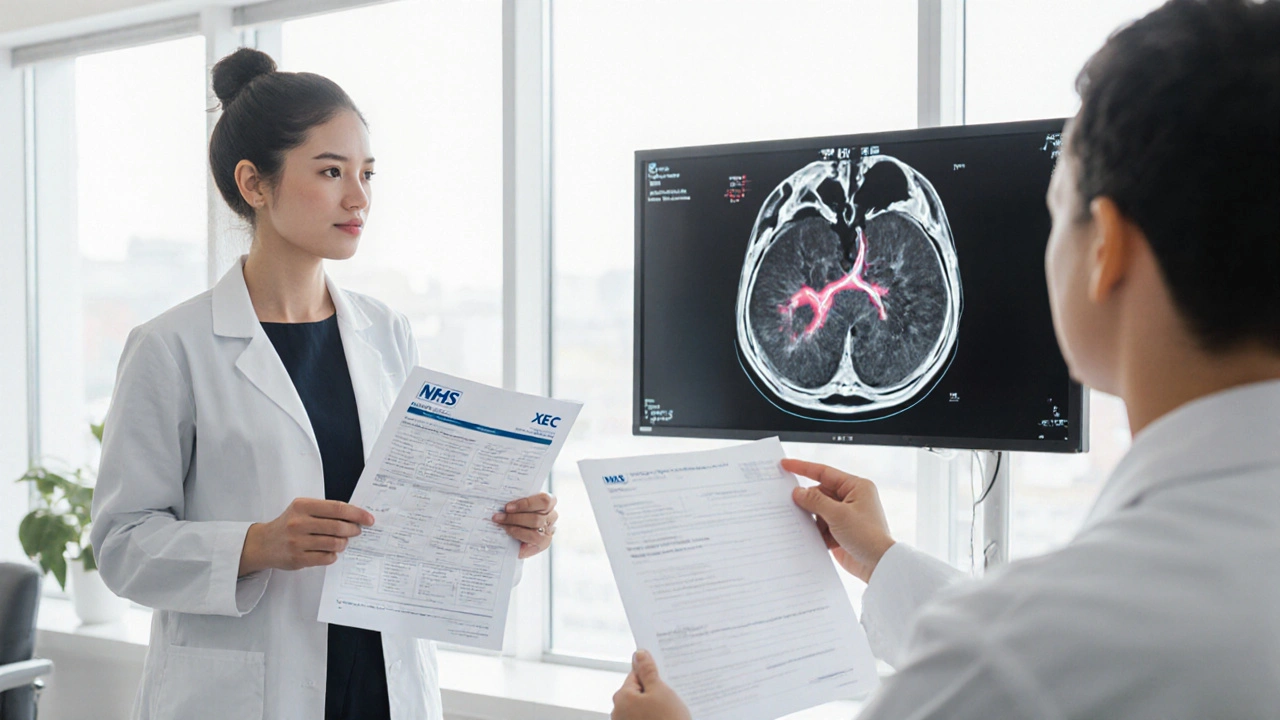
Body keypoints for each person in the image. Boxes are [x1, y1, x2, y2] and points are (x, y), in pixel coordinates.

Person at [611, 0, 1280, 717]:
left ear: (1106, 248)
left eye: (1055, 211)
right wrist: (885, 562)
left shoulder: (1016, 651)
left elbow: (1030, 652)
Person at [89, 48, 558, 720]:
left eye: (367, 173)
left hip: (384, 685)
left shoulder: (386, 331)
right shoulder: (170, 347)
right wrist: (257, 544)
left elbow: (412, 511)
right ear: (254, 183)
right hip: (244, 695)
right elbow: (121, 545)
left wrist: (508, 528)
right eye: (331, 172)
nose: (359, 197)